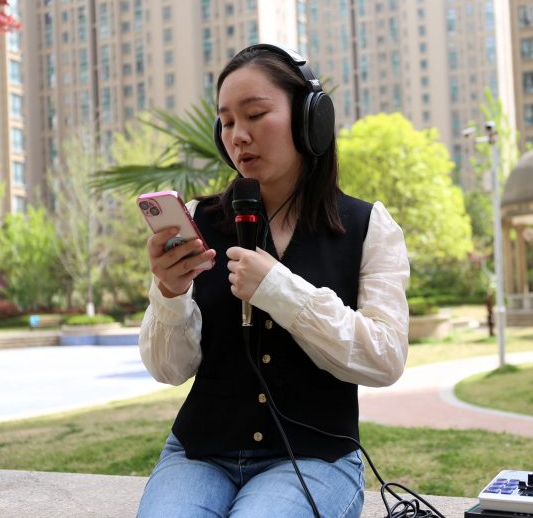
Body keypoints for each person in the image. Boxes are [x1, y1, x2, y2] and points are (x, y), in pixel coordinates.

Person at [136, 43, 410, 518]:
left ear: (309, 119)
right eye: (226, 122)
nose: (238, 136)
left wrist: (279, 289)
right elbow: (169, 370)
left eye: (256, 114)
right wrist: (170, 294)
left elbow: (385, 359)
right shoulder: (199, 220)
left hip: (316, 458)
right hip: (200, 452)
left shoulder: (370, 226)